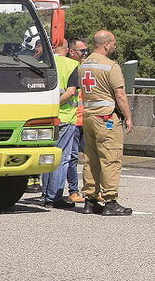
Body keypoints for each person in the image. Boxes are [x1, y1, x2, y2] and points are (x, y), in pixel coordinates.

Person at [79, 30, 134, 216]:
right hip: (106, 118)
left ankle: (90, 200)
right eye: (114, 44)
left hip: (88, 116)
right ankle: (110, 201)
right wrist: (128, 117)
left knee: (91, 159)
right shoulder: (111, 66)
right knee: (110, 158)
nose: (115, 47)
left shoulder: (83, 65)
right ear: (107, 45)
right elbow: (120, 94)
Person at [39, 39, 80, 208]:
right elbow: (71, 91)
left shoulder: (42, 64)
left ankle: (45, 193)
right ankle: (54, 196)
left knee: (47, 156)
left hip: (44, 118)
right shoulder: (72, 65)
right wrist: (56, 105)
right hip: (65, 117)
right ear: (67, 49)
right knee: (62, 158)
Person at [65, 38, 89, 203]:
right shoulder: (69, 68)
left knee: (91, 157)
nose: (85, 54)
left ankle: (91, 191)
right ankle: (73, 190)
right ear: (72, 52)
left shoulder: (86, 68)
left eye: (87, 50)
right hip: (73, 119)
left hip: (87, 120)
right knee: (72, 157)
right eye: (82, 51)